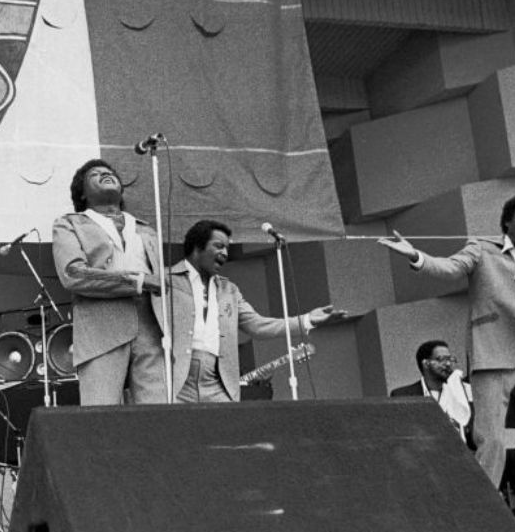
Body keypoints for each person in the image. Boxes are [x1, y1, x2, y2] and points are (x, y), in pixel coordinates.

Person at [380, 194, 515, 532]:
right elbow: (449, 267)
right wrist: (417, 257)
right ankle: (476, 529)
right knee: (491, 441)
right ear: (507, 222)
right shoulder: (482, 251)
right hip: (493, 357)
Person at [157, 220, 346, 403]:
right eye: (218, 246)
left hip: (218, 382)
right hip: (174, 379)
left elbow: (258, 326)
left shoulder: (229, 290)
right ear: (197, 247)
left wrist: (307, 320)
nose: (224, 253)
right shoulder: (164, 280)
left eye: (227, 249)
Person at [51, 159, 165, 405]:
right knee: (101, 418)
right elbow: (74, 273)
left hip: (153, 329)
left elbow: (161, 282)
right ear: (81, 193)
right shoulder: (70, 223)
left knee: (159, 418)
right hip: (101, 332)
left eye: (109, 173)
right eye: (95, 174)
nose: (105, 174)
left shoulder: (146, 229)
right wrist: (136, 281)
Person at [390, 340, 475, 449]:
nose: (448, 364)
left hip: (460, 456)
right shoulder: (402, 396)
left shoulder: (463, 392)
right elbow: (401, 439)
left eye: (450, 359)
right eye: (441, 360)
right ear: (425, 363)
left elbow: (474, 437)